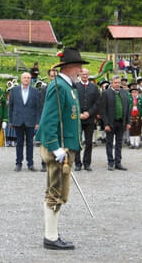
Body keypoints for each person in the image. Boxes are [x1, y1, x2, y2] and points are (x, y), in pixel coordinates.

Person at [36, 47, 87, 250]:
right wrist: (55, 147)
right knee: (55, 192)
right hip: (60, 150)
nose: (81, 71)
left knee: (60, 192)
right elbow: (49, 120)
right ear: (71, 67)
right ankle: (50, 237)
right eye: (79, 67)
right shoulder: (58, 87)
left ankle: (53, 232)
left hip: (67, 148)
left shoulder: (68, 88)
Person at [9, 72, 41, 172]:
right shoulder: (14, 90)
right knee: (19, 142)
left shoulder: (35, 91)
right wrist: (10, 121)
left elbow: (38, 107)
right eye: (24, 78)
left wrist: (37, 122)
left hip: (31, 121)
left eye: (28, 78)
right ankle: (18, 163)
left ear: (30, 79)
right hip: (18, 120)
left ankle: (30, 164)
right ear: (21, 79)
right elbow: (11, 106)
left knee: (30, 143)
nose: (26, 79)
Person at [100, 75, 131, 171]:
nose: (117, 84)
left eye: (119, 82)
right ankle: (110, 162)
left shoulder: (124, 92)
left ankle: (118, 162)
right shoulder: (106, 93)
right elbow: (103, 110)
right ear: (111, 83)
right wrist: (105, 124)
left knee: (119, 143)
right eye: (115, 82)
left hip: (121, 122)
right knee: (109, 143)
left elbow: (127, 108)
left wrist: (128, 122)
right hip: (110, 123)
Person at [74, 68, 99, 172]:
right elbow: (72, 101)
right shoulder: (75, 86)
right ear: (80, 75)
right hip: (78, 118)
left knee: (89, 142)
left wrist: (89, 113)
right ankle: (77, 163)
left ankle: (87, 163)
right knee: (77, 142)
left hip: (89, 118)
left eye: (86, 74)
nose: (84, 76)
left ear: (89, 75)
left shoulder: (94, 87)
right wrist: (78, 113)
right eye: (83, 74)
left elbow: (97, 103)